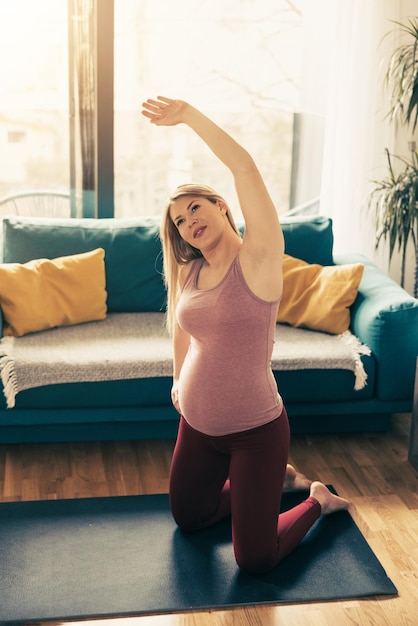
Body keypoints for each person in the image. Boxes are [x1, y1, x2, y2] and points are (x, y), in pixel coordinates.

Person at [141, 96, 349, 574]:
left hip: (256, 432)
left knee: (254, 560)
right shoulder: (189, 273)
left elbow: (246, 168)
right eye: (179, 221)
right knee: (188, 519)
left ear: (220, 206)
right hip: (196, 428)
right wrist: (177, 380)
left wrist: (191, 115)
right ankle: (280, 482)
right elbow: (182, 330)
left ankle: (316, 499)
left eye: (195, 208)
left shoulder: (257, 259)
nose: (189, 221)